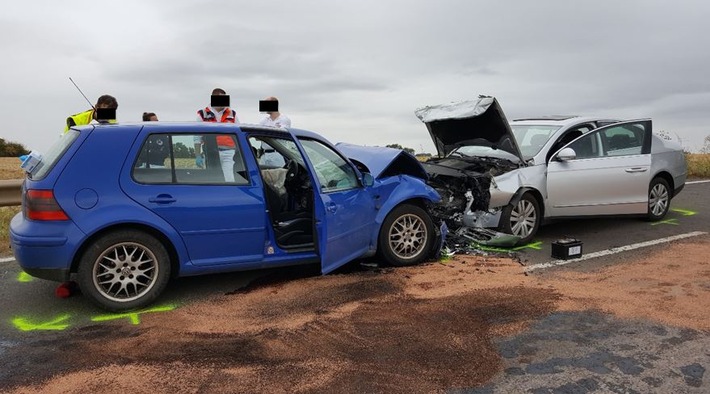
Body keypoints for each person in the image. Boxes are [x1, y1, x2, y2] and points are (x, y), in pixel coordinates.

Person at [195, 88, 240, 181]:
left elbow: (238, 132)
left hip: (229, 152)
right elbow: (197, 137)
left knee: (229, 180)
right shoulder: (203, 114)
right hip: (210, 152)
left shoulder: (232, 114)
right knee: (213, 180)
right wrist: (197, 155)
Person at [258, 96, 290, 167]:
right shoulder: (264, 121)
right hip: (264, 154)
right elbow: (257, 136)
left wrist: (264, 134)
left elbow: (280, 135)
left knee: (278, 175)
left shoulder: (284, 119)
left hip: (277, 154)